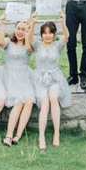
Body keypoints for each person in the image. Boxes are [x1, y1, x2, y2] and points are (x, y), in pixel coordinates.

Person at [29, 17, 72, 150]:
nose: (47, 35)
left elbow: (67, 36)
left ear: (54, 34)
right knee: (45, 103)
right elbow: (29, 37)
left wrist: (63, 21)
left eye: (50, 33)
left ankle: (56, 133)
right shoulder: (38, 45)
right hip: (40, 79)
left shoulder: (57, 46)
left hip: (55, 78)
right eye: (45, 33)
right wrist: (33, 23)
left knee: (53, 98)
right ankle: (41, 136)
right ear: (41, 34)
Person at [1, 17, 36, 147]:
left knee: (29, 101)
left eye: (23, 29)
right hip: (10, 76)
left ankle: (18, 135)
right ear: (14, 29)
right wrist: (3, 24)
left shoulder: (29, 44)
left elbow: (28, 48)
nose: (20, 32)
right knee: (19, 101)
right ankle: (9, 135)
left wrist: (29, 29)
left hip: (24, 76)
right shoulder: (8, 42)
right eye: (18, 29)